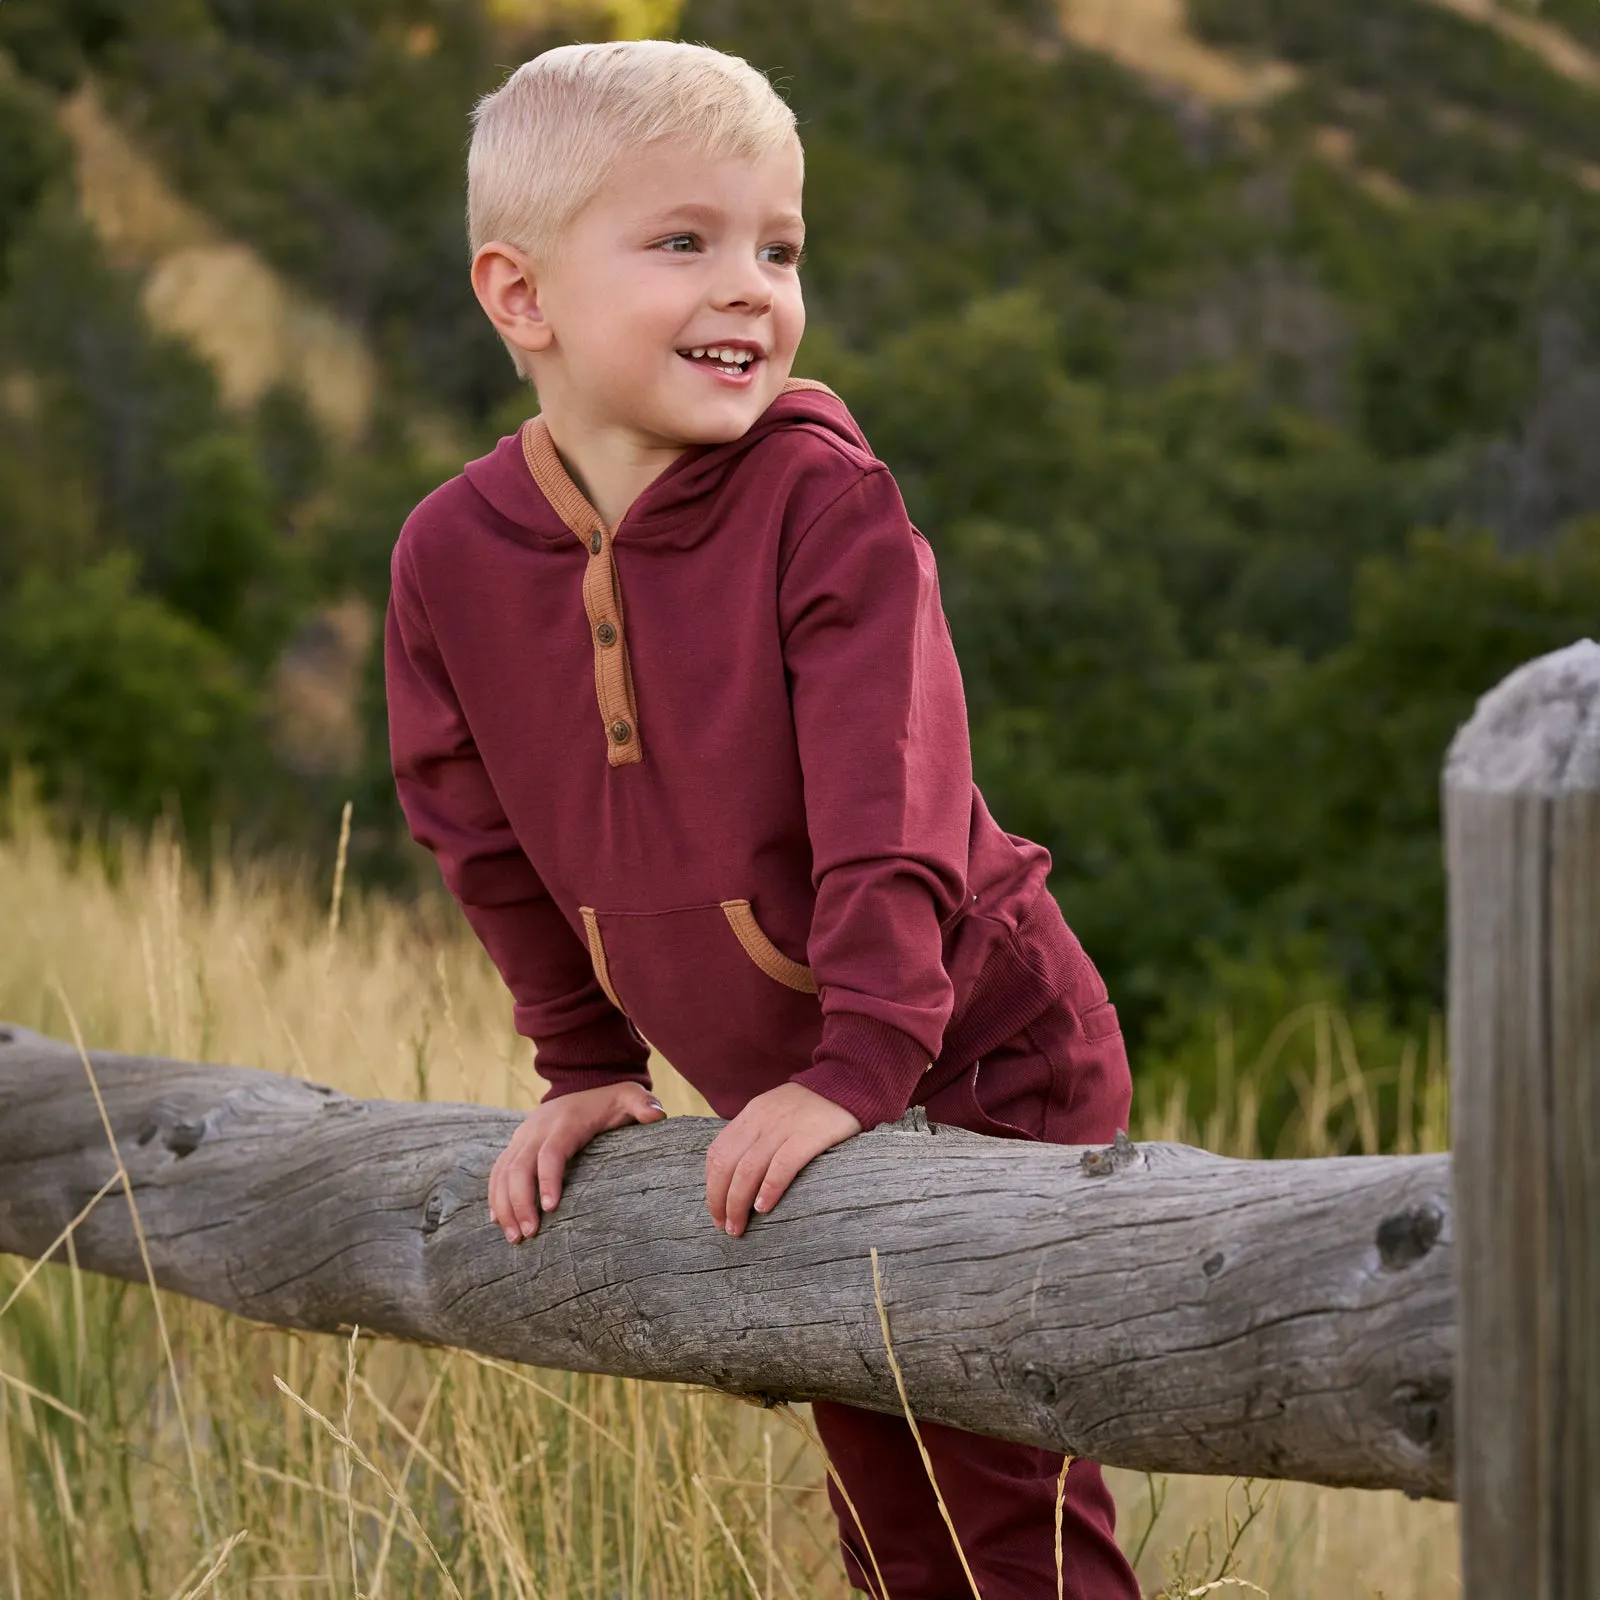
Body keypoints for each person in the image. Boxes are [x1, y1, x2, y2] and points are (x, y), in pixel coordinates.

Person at [384, 38, 1140, 1600]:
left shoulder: (819, 503)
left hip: (981, 1050)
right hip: (792, 1090)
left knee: (1004, 1523)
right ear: (519, 296)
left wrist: (860, 1062)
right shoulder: (452, 558)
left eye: (778, 248)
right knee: (884, 1515)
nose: (751, 288)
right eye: (685, 242)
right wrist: (585, 1063)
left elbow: (894, 799)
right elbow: (474, 831)